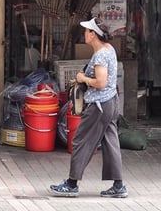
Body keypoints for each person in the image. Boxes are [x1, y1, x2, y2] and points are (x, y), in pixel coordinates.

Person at [50, 18, 127, 198]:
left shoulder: (100, 54)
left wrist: (83, 79)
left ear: (93, 34)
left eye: (87, 31)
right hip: (110, 102)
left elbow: (101, 82)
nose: (84, 33)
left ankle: (71, 184)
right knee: (110, 142)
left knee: (80, 140)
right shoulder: (109, 49)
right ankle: (118, 185)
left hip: (99, 105)